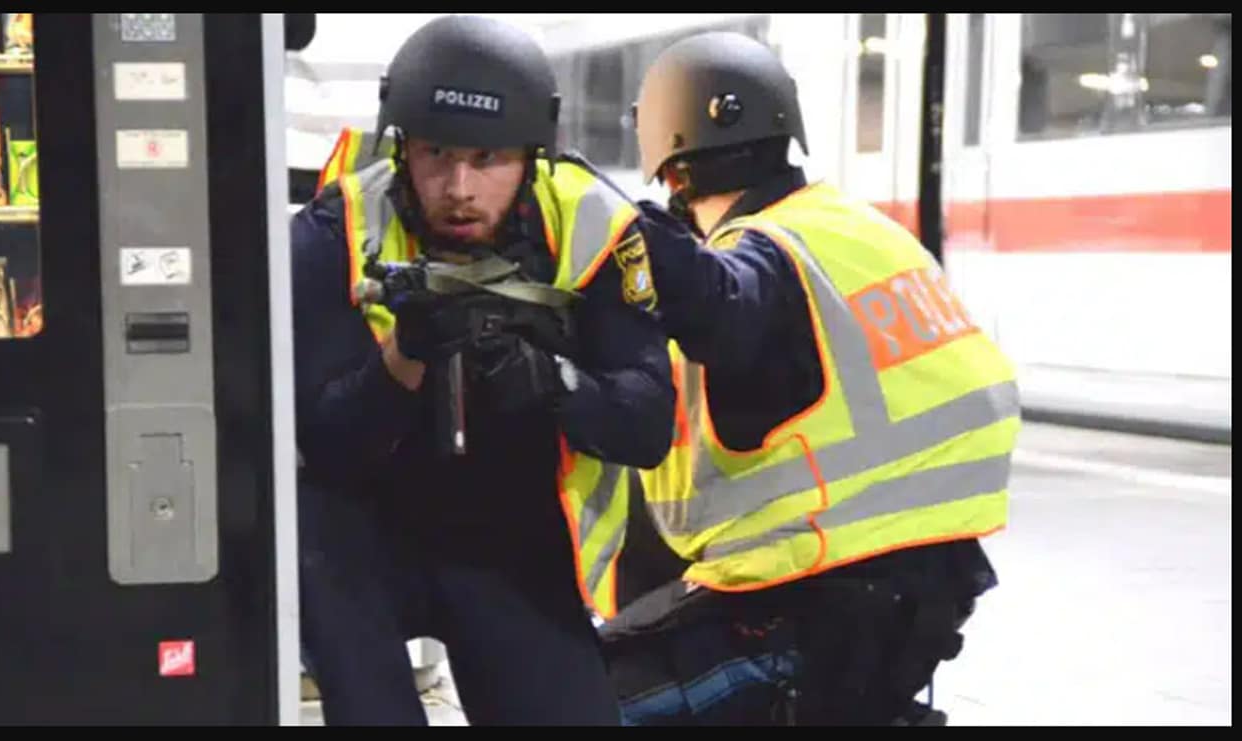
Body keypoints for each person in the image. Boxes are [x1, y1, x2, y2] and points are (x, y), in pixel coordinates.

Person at [603, 31, 1022, 726]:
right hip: (922, 594)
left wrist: (621, 235)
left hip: (803, 611)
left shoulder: (758, 254)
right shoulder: (861, 233)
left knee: (568, 701)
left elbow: (725, 306)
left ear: (672, 173)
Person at [291, 15, 675, 725]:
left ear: (534, 156)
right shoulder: (333, 229)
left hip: (511, 533)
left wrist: (548, 379)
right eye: (435, 154)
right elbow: (326, 444)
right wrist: (407, 354)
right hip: (361, 536)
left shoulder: (601, 230)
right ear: (401, 148)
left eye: (488, 158)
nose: (459, 187)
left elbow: (647, 424)